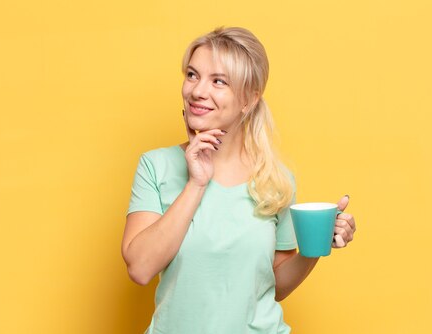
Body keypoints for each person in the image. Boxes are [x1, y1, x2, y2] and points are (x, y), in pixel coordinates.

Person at [121, 26, 357, 334]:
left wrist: (316, 247)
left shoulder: (276, 179)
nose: (197, 91)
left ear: (249, 99)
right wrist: (196, 183)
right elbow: (140, 268)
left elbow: (276, 285)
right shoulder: (156, 166)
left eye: (218, 81)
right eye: (192, 75)